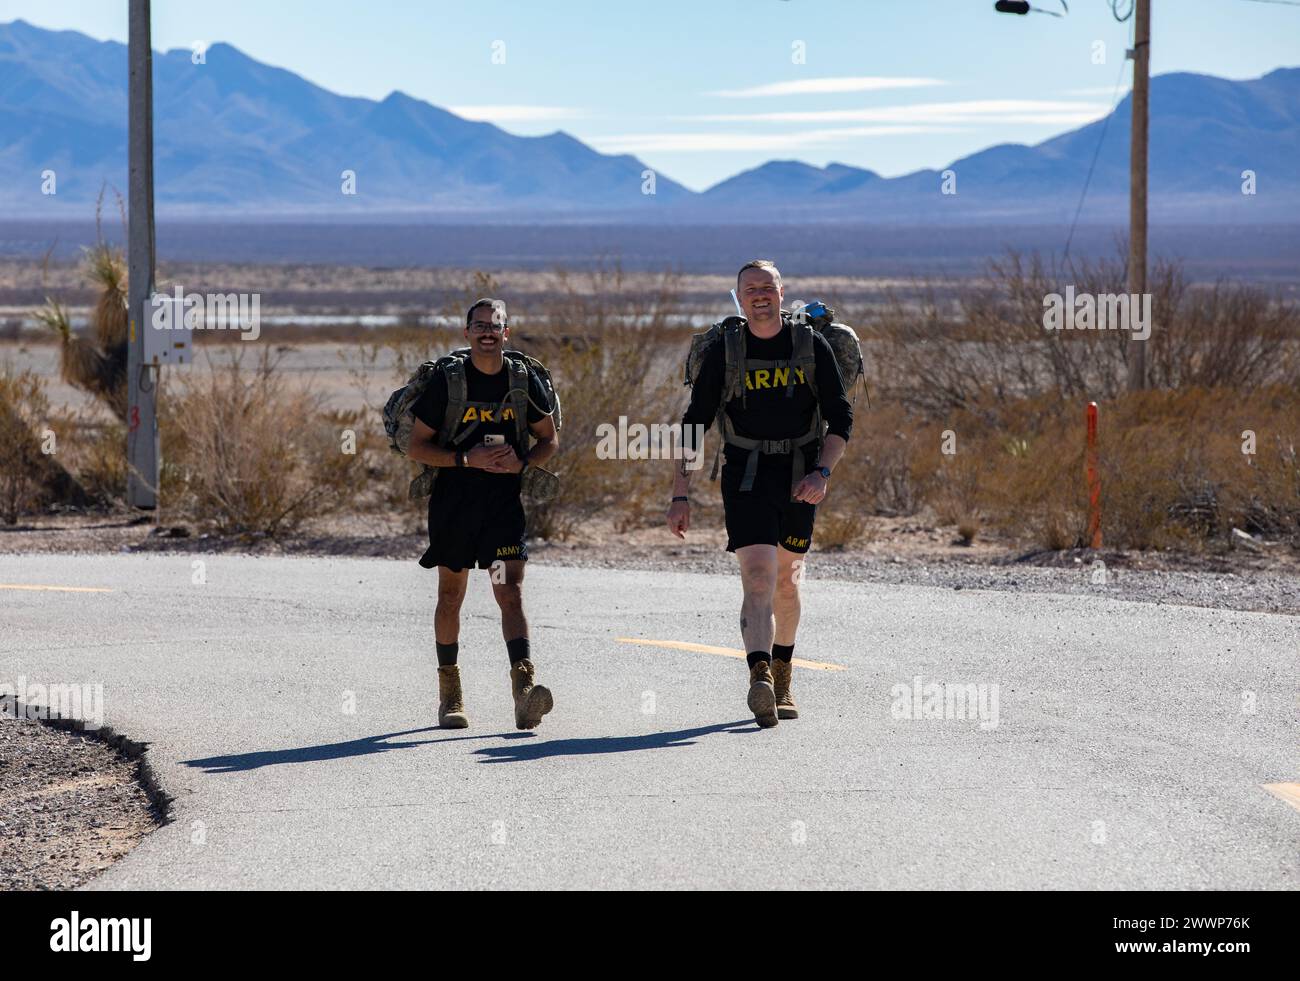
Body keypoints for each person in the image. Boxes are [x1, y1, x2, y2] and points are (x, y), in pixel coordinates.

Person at [667, 260, 853, 728]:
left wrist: (822, 473)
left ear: (781, 292)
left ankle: (784, 669)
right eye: (750, 289)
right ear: (739, 298)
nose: (760, 296)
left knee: (788, 581)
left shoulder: (809, 345)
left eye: (767, 287)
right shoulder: (726, 352)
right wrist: (680, 494)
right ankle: (760, 679)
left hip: (800, 476)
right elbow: (695, 422)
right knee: (756, 576)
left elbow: (841, 417)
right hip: (745, 476)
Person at [407, 298, 559, 730]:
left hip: (501, 507)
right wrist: (465, 460)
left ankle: (524, 690)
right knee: (451, 595)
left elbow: (548, 439)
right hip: (454, 504)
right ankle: (450, 695)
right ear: (466, 332)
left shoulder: (522, 380)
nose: (487, 332)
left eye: (495, 326)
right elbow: (417, 446)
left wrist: (523, 462)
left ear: (507, 333)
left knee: (508, 591)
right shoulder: (447, 383)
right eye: (480, 326)